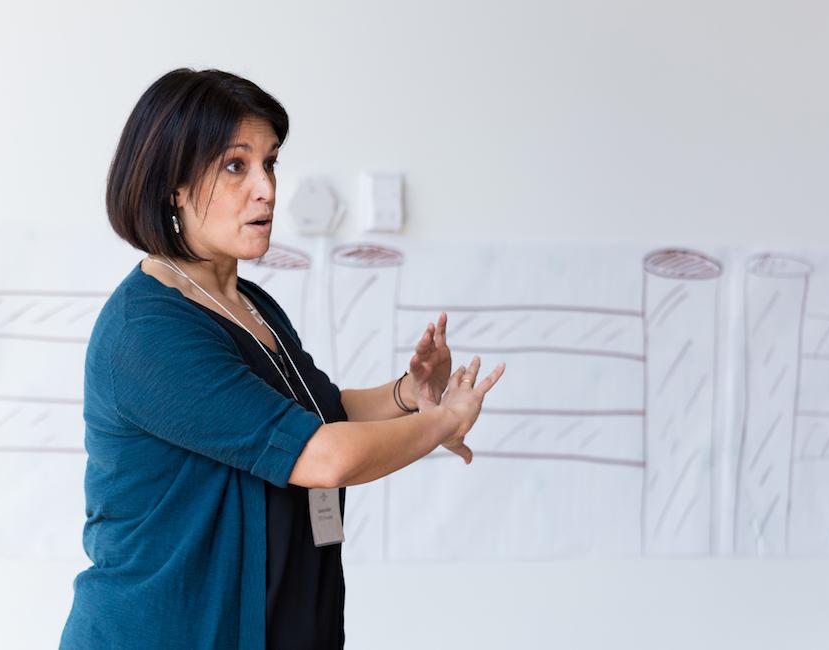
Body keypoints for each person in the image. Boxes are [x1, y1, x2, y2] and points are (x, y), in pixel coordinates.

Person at [59, 68, 505, 649]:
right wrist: (443, 422)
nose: (266, 188)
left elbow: (319, 411)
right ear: (171, 182)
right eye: (234, 165)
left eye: (269, 162)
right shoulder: (148, 331)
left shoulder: (250, 303)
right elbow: (323, 457)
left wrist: (406, 396)